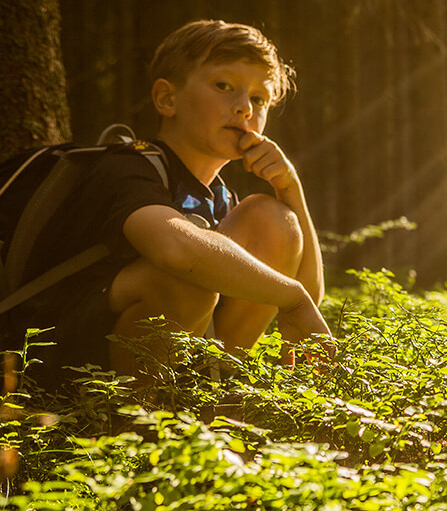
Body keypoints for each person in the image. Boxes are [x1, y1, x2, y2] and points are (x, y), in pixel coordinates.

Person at [9, 19, 331, 391]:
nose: (244, 107)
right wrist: (292, 298)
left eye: (259, 98)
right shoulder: (127, 167)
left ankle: (205, 398)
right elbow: (175, 248)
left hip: (149, 356)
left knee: (272, 219)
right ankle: (138, 422)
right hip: (46, 358)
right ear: (166, 98)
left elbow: (308, 292)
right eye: (224, 86)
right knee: (185, 280)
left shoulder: (222, 200)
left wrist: (290, 189)